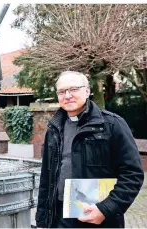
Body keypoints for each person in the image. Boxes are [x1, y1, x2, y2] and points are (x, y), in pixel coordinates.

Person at [36, 71, 144, 228]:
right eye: (62, 91)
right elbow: (46, 178)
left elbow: (132, 174)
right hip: (58, 218)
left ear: (87, 91)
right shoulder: (54, 129)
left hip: (99, 218)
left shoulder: (112, 125)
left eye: (74, 89)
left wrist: (106, 209)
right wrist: (41, 221)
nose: (67, 95)